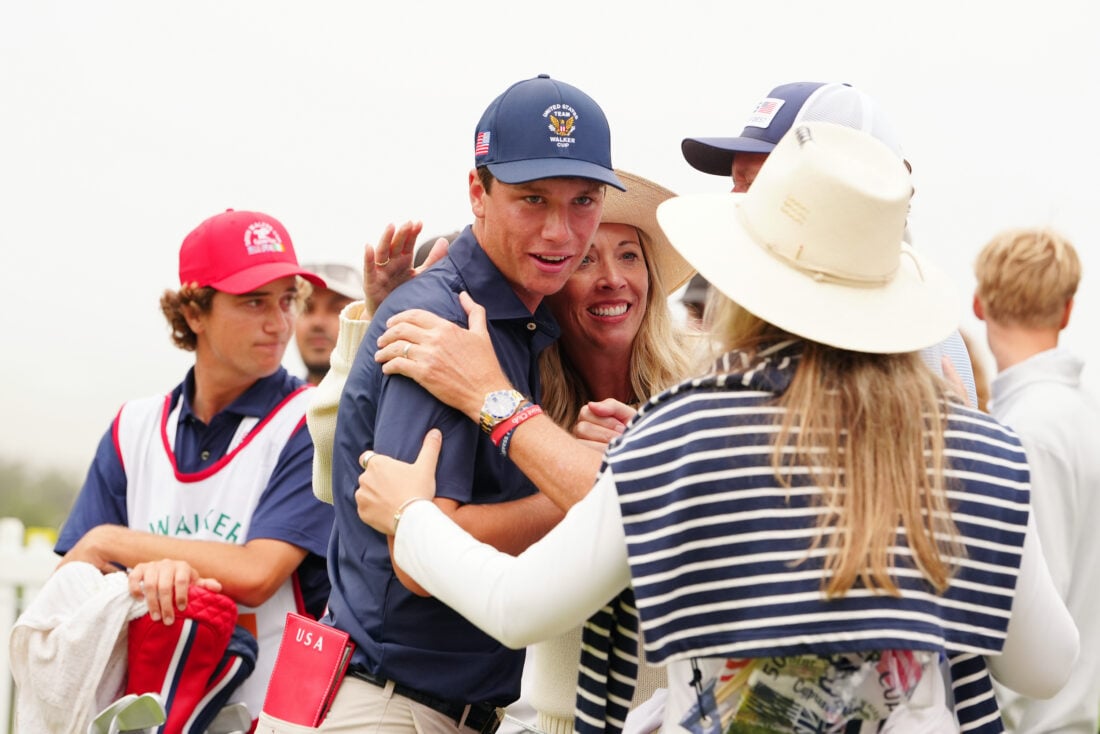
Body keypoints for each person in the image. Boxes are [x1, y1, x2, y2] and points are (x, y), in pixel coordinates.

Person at [355, 123, 1077, 734]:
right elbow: (1045, 667)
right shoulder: (977, 449)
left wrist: (410, 516)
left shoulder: (684, 433)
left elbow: (518, 606)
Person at [258, 74, 625, 734]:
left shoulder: (515, 321)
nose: (559, 230)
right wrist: (577, 483)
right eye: (532, 199)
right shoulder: (446, 327)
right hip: (388, 707)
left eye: (583, 201)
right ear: (477, 193)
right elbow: (423, 552)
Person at [305, 170, 697, 734]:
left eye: (631, 256)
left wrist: (588, 480)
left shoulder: (702, 386)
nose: (612, 279)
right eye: (586, 260)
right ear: (550, 275)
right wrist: (380, 329)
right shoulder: (501, 371)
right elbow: (335, 475)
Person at [55, 208, 335, 726]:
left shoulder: (314, 419)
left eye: (286, 300)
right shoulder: (132, 428)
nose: (279, 323)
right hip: (139, 717)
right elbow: (70, 588)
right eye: (254, 302)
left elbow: (256, 573)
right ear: (194, 313)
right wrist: (143, 570)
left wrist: (111, 543)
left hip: (276, 719)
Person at [680, 80, 980, 408]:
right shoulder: (927, 321)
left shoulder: (919, 338)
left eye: (757, 183)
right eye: (736, 182)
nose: (734, 201)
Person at [973, 227, 1100, 733]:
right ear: (1067, 311)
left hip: (1034, 721)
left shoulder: (1027, 430)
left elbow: (1022, 610)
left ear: (979, 304)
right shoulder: (1080, 415)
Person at [295, 262, 363, 385]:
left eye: (337, 309)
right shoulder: (275, 402)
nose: (318, 322)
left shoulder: (389, 402)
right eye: (306, 307)